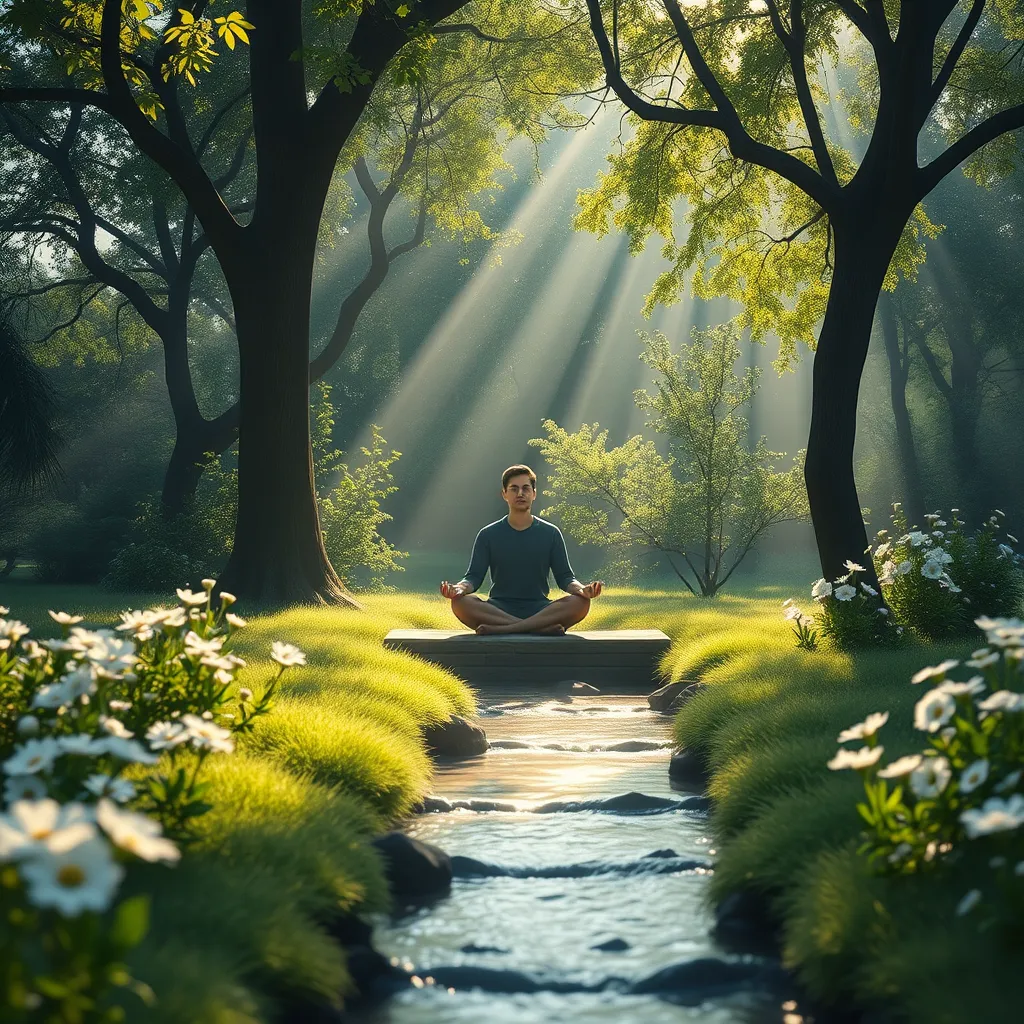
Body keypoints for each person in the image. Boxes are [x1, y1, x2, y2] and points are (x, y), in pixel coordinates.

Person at [439, 464, 603, 634]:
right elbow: (473, 577)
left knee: (581, 602)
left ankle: (504, 629)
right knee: (460, 602)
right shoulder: (487, 534)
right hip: (498, 609)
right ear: (504, 494)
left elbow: (565, 578)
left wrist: (582, 590)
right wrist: (458, 589)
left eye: (526, 488)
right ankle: (538, 628)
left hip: (540, 609)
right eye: (514, 489)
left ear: (534, 494)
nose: (520, 494)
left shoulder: (551, 533)